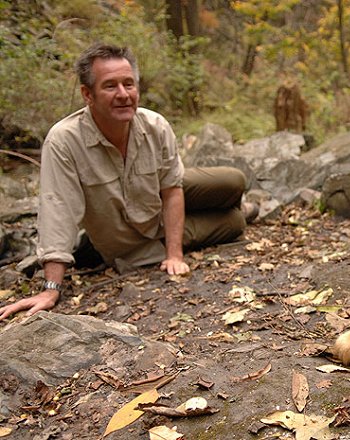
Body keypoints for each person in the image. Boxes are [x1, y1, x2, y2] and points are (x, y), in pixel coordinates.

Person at [0, 43, 257, 321]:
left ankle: (237, 205)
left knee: (234, 181)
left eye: (129, 84)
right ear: (88, 94)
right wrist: (51, 289)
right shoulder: (64, 141)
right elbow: (57, 209)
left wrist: (175, 255)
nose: (123, 95)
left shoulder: (155, 125)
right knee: (234, 223)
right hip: (133, 237)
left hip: (156, 198)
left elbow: (172, 190)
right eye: (110, 86)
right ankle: (239, 212)